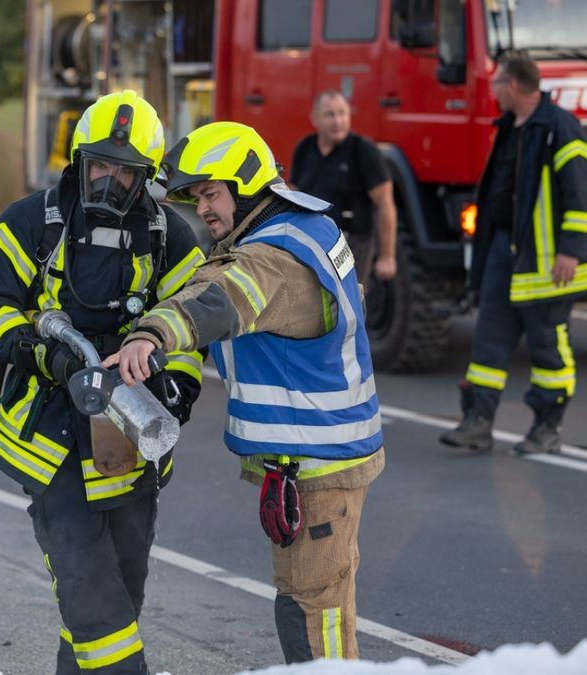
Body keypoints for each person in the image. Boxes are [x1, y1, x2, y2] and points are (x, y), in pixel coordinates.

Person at [106, 121, 385, 663]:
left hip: (316, 461)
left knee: (309, 608)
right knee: (327, 600)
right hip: (327, 452)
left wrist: (151, 334)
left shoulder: (272, 258)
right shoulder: (303, 228)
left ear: (249, 184)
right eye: (195, 198)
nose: (203, 209)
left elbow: (220, 297)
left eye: (212, 193)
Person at [0, 90, 206, 674]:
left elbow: (188, 330)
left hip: (133, 442)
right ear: (78, 160)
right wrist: (45, 356)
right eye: (99, 164)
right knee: (94, 602)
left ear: (145, 176)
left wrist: (176, 388)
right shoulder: (30, 223)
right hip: (50, 440)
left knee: (118, 596)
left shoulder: (171, 239)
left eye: (123, 171)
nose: (107, 179)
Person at [439, 53, 587, 455]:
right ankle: (477, 421)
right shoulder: (510, 128)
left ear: (513, 85)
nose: (494, 90)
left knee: (547, 343)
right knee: (489, 339)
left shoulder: (560, 129)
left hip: (548, 263)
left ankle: (547, 426)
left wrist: (570, 251)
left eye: (498, 83)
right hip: (504, 252)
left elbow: (582, 195)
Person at [290, 91, 397, 285]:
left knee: (348, 304)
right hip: (311, 242)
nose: (337, 121)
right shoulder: (304, 148)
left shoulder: (364, 151)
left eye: (342, 114)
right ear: (314, 118)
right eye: (329, 115)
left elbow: (385, 204)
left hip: (352, 244)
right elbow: (294, 195)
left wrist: (386, 256)